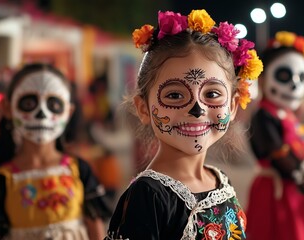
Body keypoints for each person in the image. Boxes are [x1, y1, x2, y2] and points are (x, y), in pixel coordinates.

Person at [105, 9, 263, 239]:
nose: (197, 110)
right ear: (143, 108)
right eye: (175, 96)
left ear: (232, 106)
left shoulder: (220, 180)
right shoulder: (149, 195)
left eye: (212, 94)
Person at [0, 63, 111, 240]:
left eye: (54, 104)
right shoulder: (1, 180)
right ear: (8, 109)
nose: (42, 114)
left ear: (68, 111)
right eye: (28, 103)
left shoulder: (79, 170)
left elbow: (97, 232)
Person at [246, 31, 304, 240]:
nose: (295, 85)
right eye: (284, 75)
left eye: (302, 77)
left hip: (295, 194)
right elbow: (280, 157)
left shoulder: (284, 114)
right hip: (277, 195)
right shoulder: (264, 116)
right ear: (264, 77)